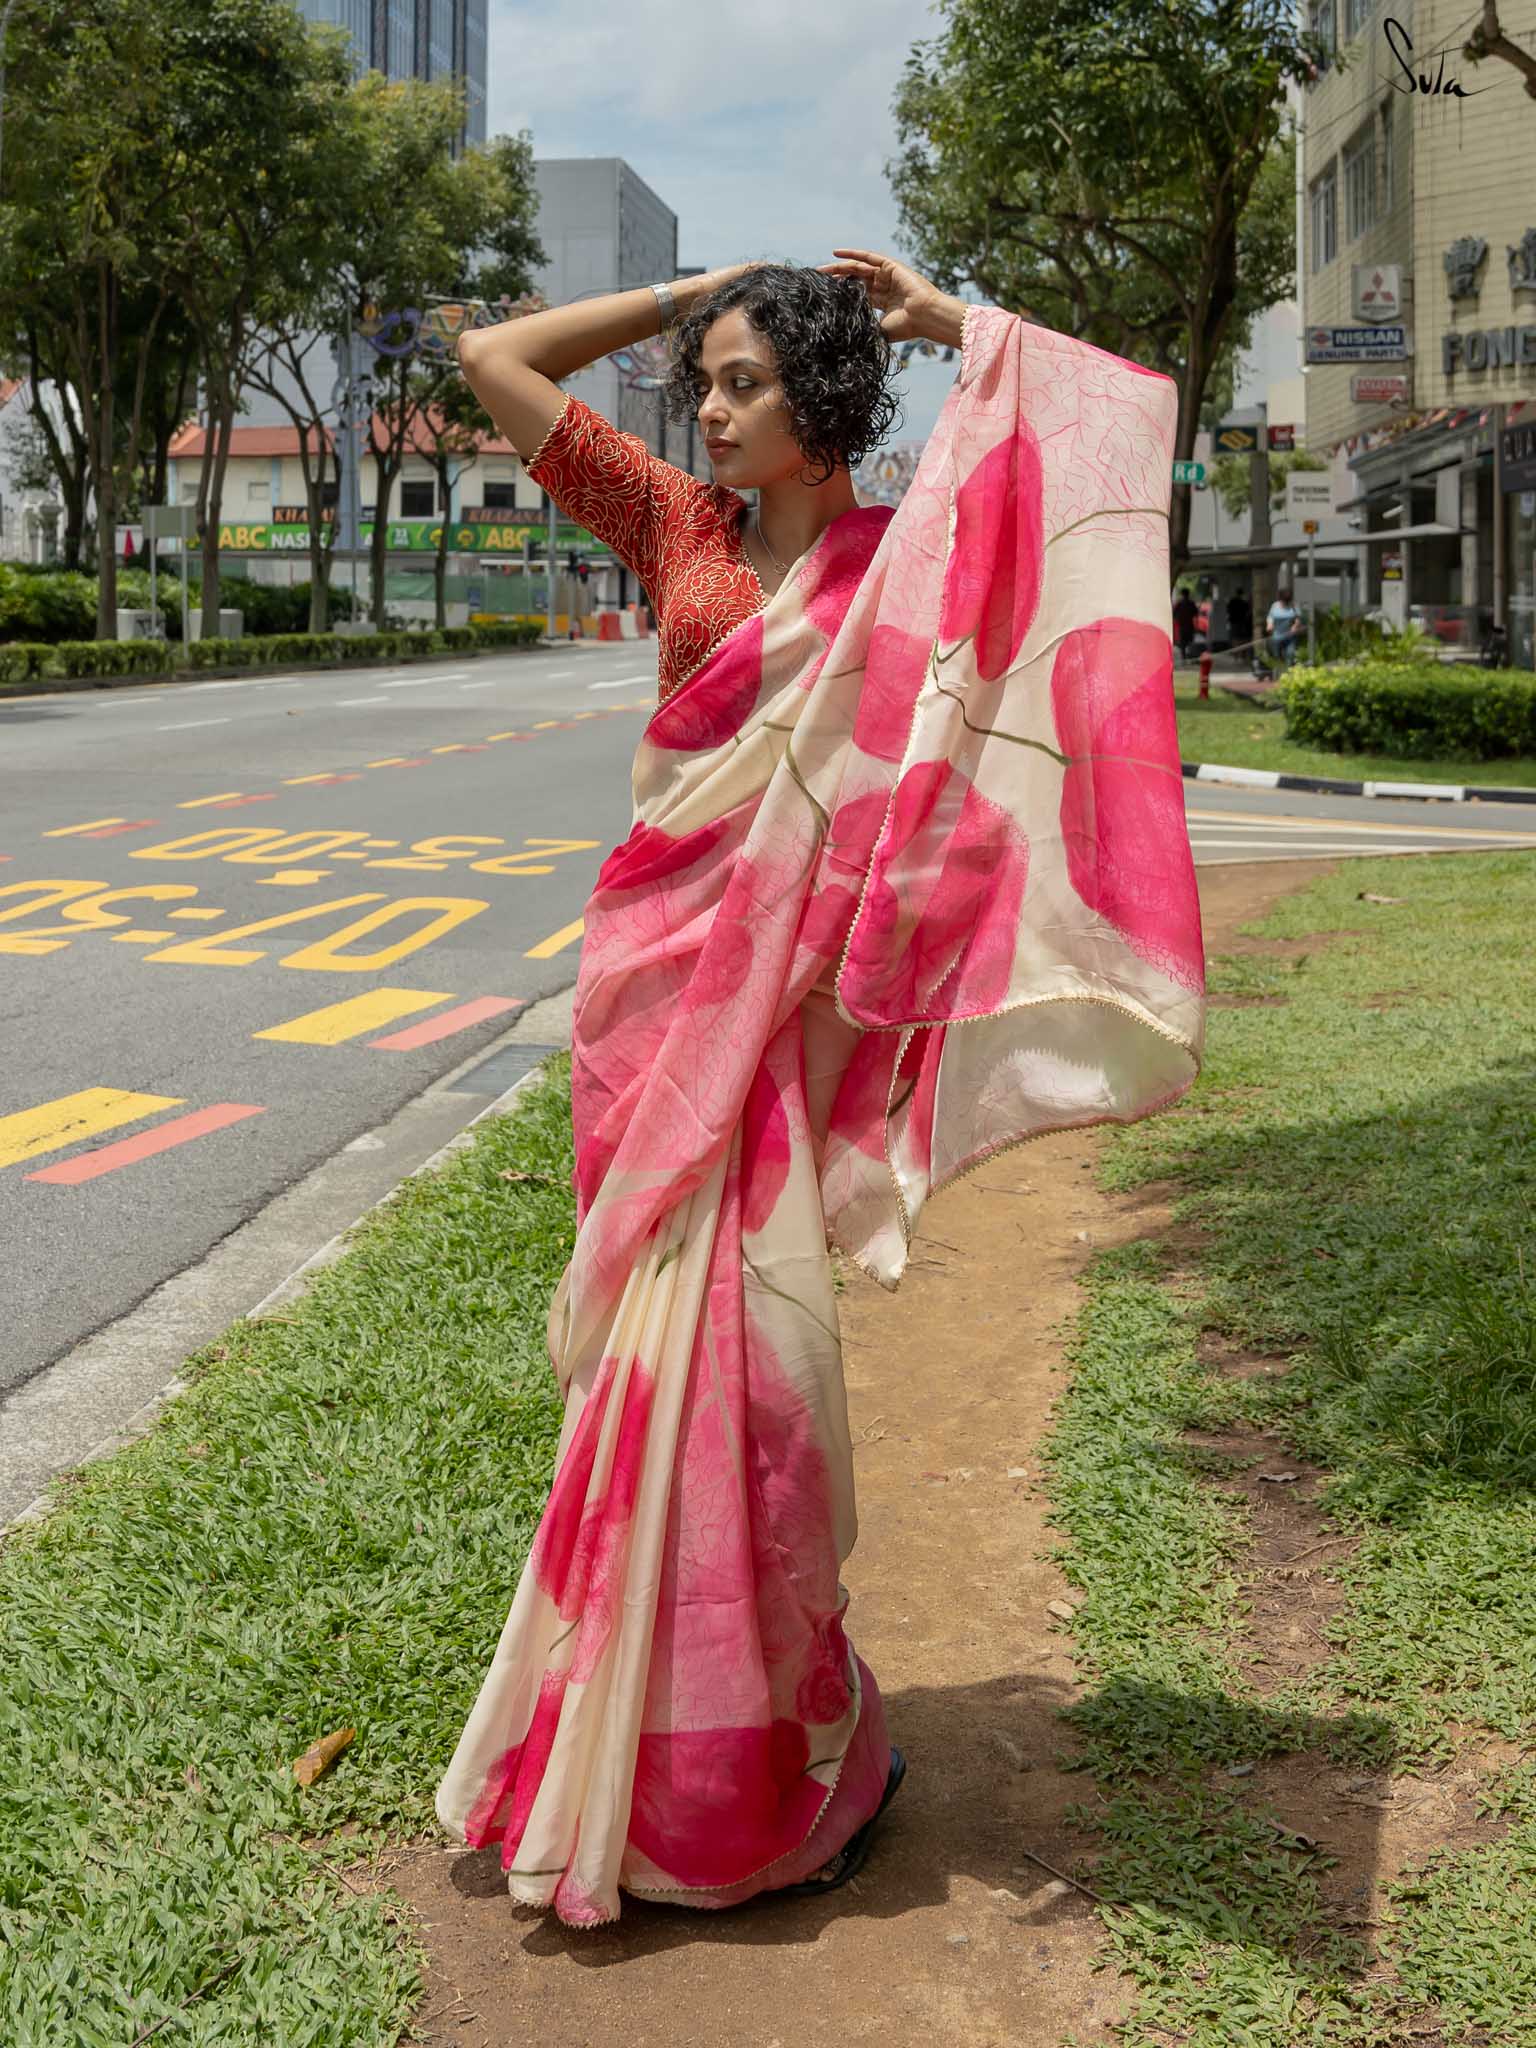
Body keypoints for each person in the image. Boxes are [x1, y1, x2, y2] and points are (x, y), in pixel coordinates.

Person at [438, 253, 1206, 1928]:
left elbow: (1103, 430)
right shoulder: (674, 531)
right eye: (702, 381)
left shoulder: (900, 559)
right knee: (641, 1385)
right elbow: (490, 356)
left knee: (758, 1383)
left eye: (742, 381)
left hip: (777, 1028)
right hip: (654, 1006)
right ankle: (620, 1743)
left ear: (826, 400)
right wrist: (683, 294)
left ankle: (749, 1750)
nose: (707, 410)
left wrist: (953, 324)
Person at [1266, 586, 1301, 669]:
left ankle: (1288, 672)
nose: (1285, 603)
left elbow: (1298, 619)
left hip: (1290, 636)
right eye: (1283, 601)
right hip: (1277, 636)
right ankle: (1278, 671)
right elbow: (1270, 617)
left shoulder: (1294, 606)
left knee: (1290, 654)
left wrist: (1295, 626)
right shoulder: (1275, 606)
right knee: (1276, 655)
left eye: (1287, 601)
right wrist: (1269, 624)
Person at [1172, 585, 1199, 661]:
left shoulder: (1179, 604)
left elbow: (1174, 615)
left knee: (1183, 642)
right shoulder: (1191, 603)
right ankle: (1189, 656)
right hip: (1189, 625)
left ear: (1182, 594)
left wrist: (1177, 621)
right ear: (1188, 594)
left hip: (1182, 626)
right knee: (1189, 641)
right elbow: (1196, 615)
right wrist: (1196, 625)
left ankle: (1184, 657)